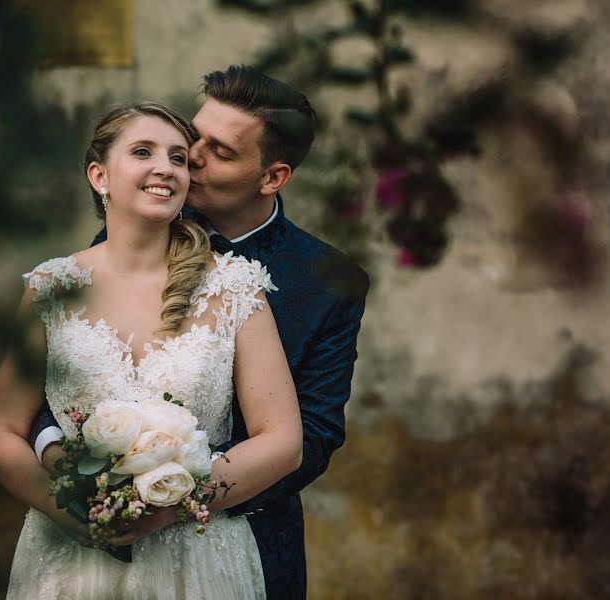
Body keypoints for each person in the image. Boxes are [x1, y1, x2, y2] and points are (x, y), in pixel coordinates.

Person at [30, 66, 370, 599]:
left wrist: (170, 501)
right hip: (99, 538)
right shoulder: (137, 221)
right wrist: (63, 461)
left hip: (239, 539)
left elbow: (315, 432)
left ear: (272, 177)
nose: (190, 158)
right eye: (195, 137)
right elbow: (74, 371)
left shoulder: (329, 282)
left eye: (222, 152)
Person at [0, 100, 303, 599]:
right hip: (69, 561)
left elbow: (282, 440)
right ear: (99, 175)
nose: (165, 168)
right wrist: (67, 511)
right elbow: (3, 432)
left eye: (178, 158)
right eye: (142, 151)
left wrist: (170, 507)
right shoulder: (51, 288)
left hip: (199, 557)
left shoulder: (237, 287)